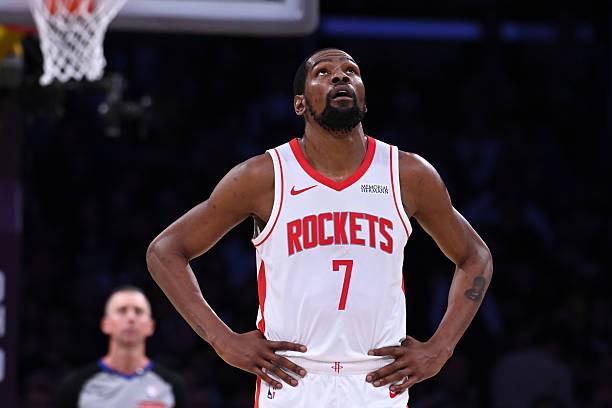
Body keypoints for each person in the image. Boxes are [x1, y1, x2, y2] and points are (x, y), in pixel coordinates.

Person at [146, 48, 493, 407]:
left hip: (376, 380)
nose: (340, 76)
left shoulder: (408, 174)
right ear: (300, 104)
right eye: (323, 72)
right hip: (293, 379)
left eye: (351, 71)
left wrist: (441, 348)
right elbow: (165, 251)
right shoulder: (264, 176)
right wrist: (222, 340)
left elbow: (475, 257)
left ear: (363, 98)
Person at [55, 285, 187, 408]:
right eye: (122, 310)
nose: (131, 318)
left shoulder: (172, 386)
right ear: (105, 324)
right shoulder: (76, 386)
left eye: (139, 311)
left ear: (150, 326)